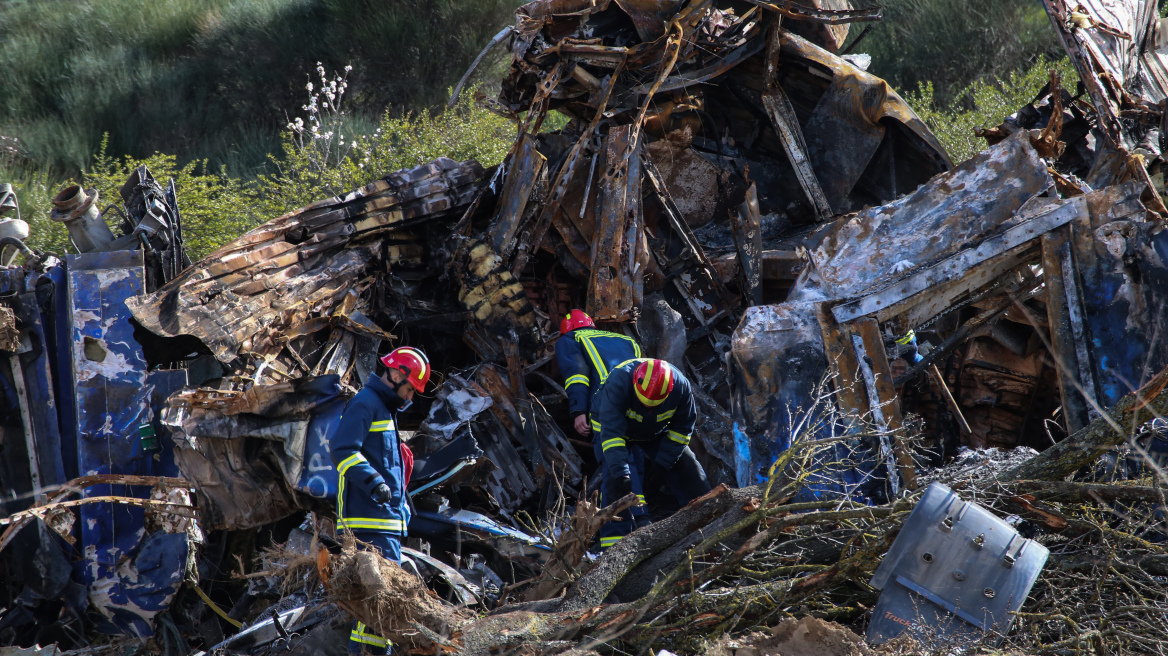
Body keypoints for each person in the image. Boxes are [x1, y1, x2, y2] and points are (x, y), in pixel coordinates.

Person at [330, 346, 430, 655]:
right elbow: (342, 449)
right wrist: (374, 483)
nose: (411, 397)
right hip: (369, 523)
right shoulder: (366, 403)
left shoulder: (384, 409)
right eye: (410, 389)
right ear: (397, 374)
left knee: (376, 610)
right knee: (382, 604)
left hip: (383, 523)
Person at [591, 358, 711, 548]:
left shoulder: (681, 387)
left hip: (654, 431)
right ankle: (614, 545)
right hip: (612, 430)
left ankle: (710, 518)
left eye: (654, 405)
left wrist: (664, 461)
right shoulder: (619, 382)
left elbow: (682, 430)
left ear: (669, 390)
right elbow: (612, 434)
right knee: (616, 479)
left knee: (688, 467)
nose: (648, 408)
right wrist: (621, 471)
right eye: (645, 403)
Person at [554, 310, 648, 529]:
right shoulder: (626, 340)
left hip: (607, 407)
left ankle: (625, 525)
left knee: (614, 463)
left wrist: (578, 412)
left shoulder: (570, 340)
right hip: (639, 405)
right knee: (634, 458)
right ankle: (641, 514)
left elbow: (577, 376)